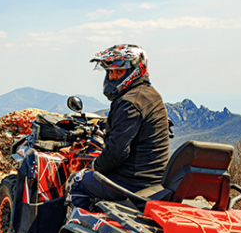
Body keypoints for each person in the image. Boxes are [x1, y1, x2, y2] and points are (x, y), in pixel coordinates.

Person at [67, 44, 170, 210]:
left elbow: (116, 152)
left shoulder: (128, 102)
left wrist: (95, 166)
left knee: (78, 181)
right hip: (154, 178)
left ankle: (77, 229)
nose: (113, 77)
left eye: (119, 72)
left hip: (133, 182)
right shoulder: (149, 94)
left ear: (134, 71)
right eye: (110, 72)